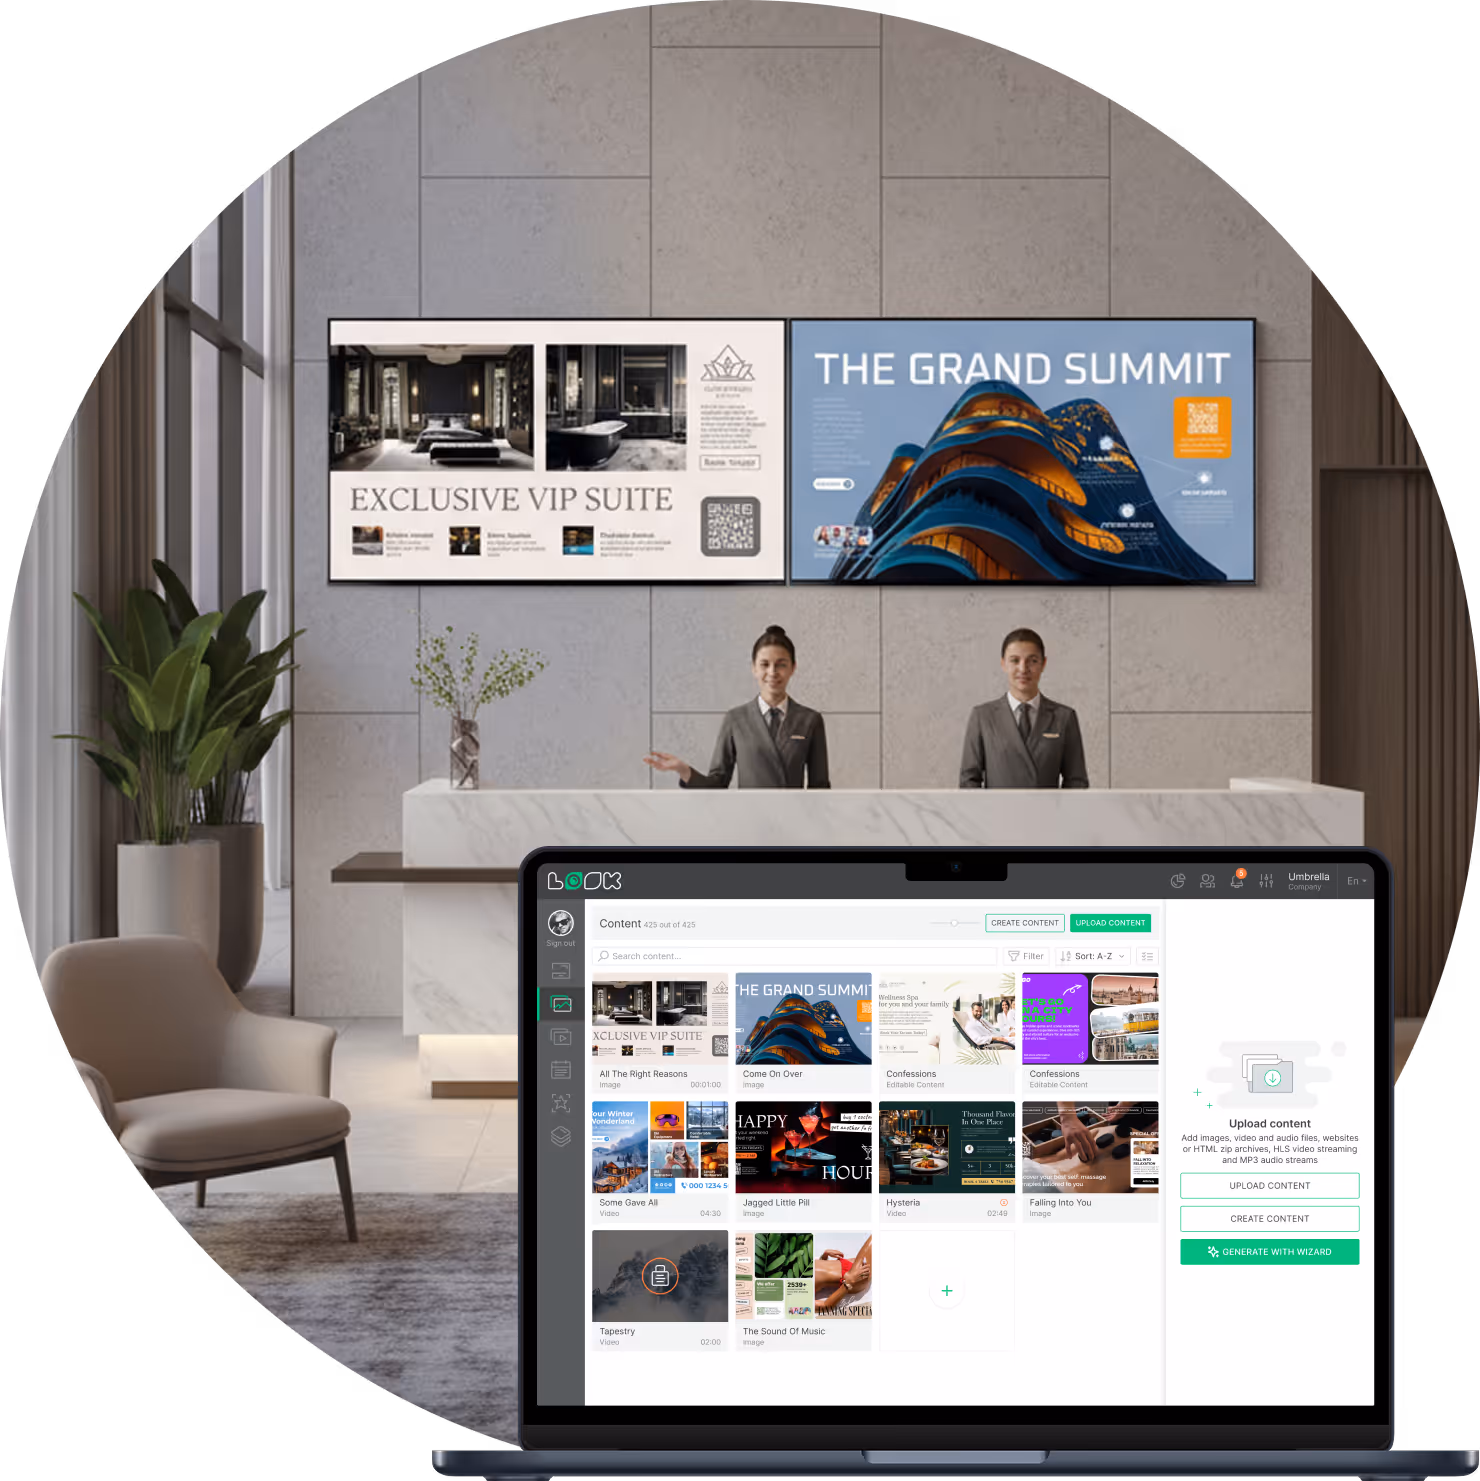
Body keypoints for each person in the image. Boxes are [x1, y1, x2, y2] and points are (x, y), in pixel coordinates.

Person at [643, 624, 830, 789]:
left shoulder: (810, 720)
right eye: (764, 664)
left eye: (781, 665)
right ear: (754, 668)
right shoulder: (736, 719)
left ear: (793, 668)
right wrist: (684, 771)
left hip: (794, 823)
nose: (772, 672)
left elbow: (820, 788)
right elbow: (718, 782)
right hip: (748, 823)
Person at [959, 627, 1089, 789]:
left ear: (1043, 664)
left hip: (1047, 814)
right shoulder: (983, 717)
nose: (1023, 668)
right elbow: (968, 781)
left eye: (1032, 661)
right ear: (1003, 664)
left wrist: (1061, 814)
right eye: (1015, 660)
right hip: (997, 813)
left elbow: (1077, 781)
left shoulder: (1064, 717)